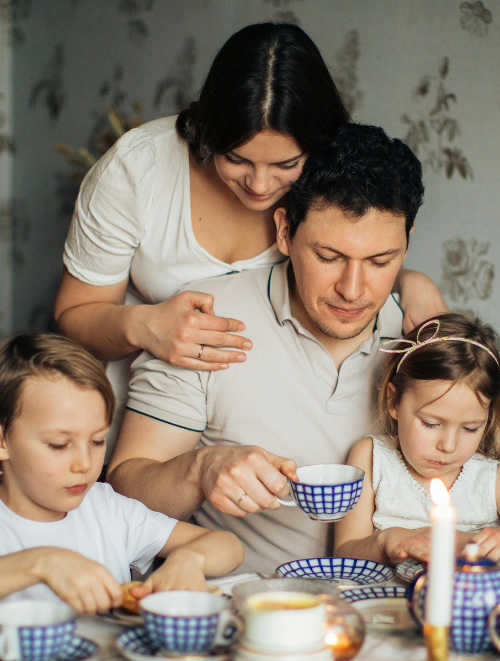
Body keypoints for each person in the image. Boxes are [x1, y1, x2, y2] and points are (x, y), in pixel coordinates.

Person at [54, 22, 446, 454]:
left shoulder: (319, 177)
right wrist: (143, 325)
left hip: (249, 424)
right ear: (208, 132)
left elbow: (351, 245)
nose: (260, 185)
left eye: (284, 164)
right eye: (236, 158)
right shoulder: (138, 170)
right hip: (136, 417)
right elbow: (75, 313)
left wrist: (411, 282)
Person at [107, 123, 427, 574]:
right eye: (328, 257)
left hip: (390, 612)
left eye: (379, 261)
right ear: (284, 232)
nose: (353, 290)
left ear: (408, 240)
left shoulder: (422, 341)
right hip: (244, 608)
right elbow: (123, 494)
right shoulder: (205, 320)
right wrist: (201, 469)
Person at [0, 333, 244, 612]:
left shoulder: (106, 509)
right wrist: (40, 563)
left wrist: (191, 558)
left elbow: (229, 546)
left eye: (97, 441)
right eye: (59, 445)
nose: (84, 463)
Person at [334, 312, 500, 565]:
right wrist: (384, 541)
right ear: (394, 400)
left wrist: (467, 540)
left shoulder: (490, 478)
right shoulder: (371, 458)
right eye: (431, 423)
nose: (448, 446)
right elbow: (344, 553)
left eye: (470, 429)